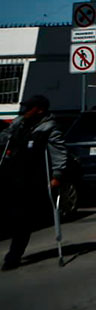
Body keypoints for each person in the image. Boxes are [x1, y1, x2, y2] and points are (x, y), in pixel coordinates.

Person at [0, 95, 67, 271]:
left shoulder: (49, 128)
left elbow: (58, 152)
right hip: (10, 175)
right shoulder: (19, 123)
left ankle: (13, 256)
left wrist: (57, 176)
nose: (25, 111)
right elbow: (4, 138)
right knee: (10, 215)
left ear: (40, 110)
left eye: (29, 108)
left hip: (31, 179)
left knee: (22, 218)